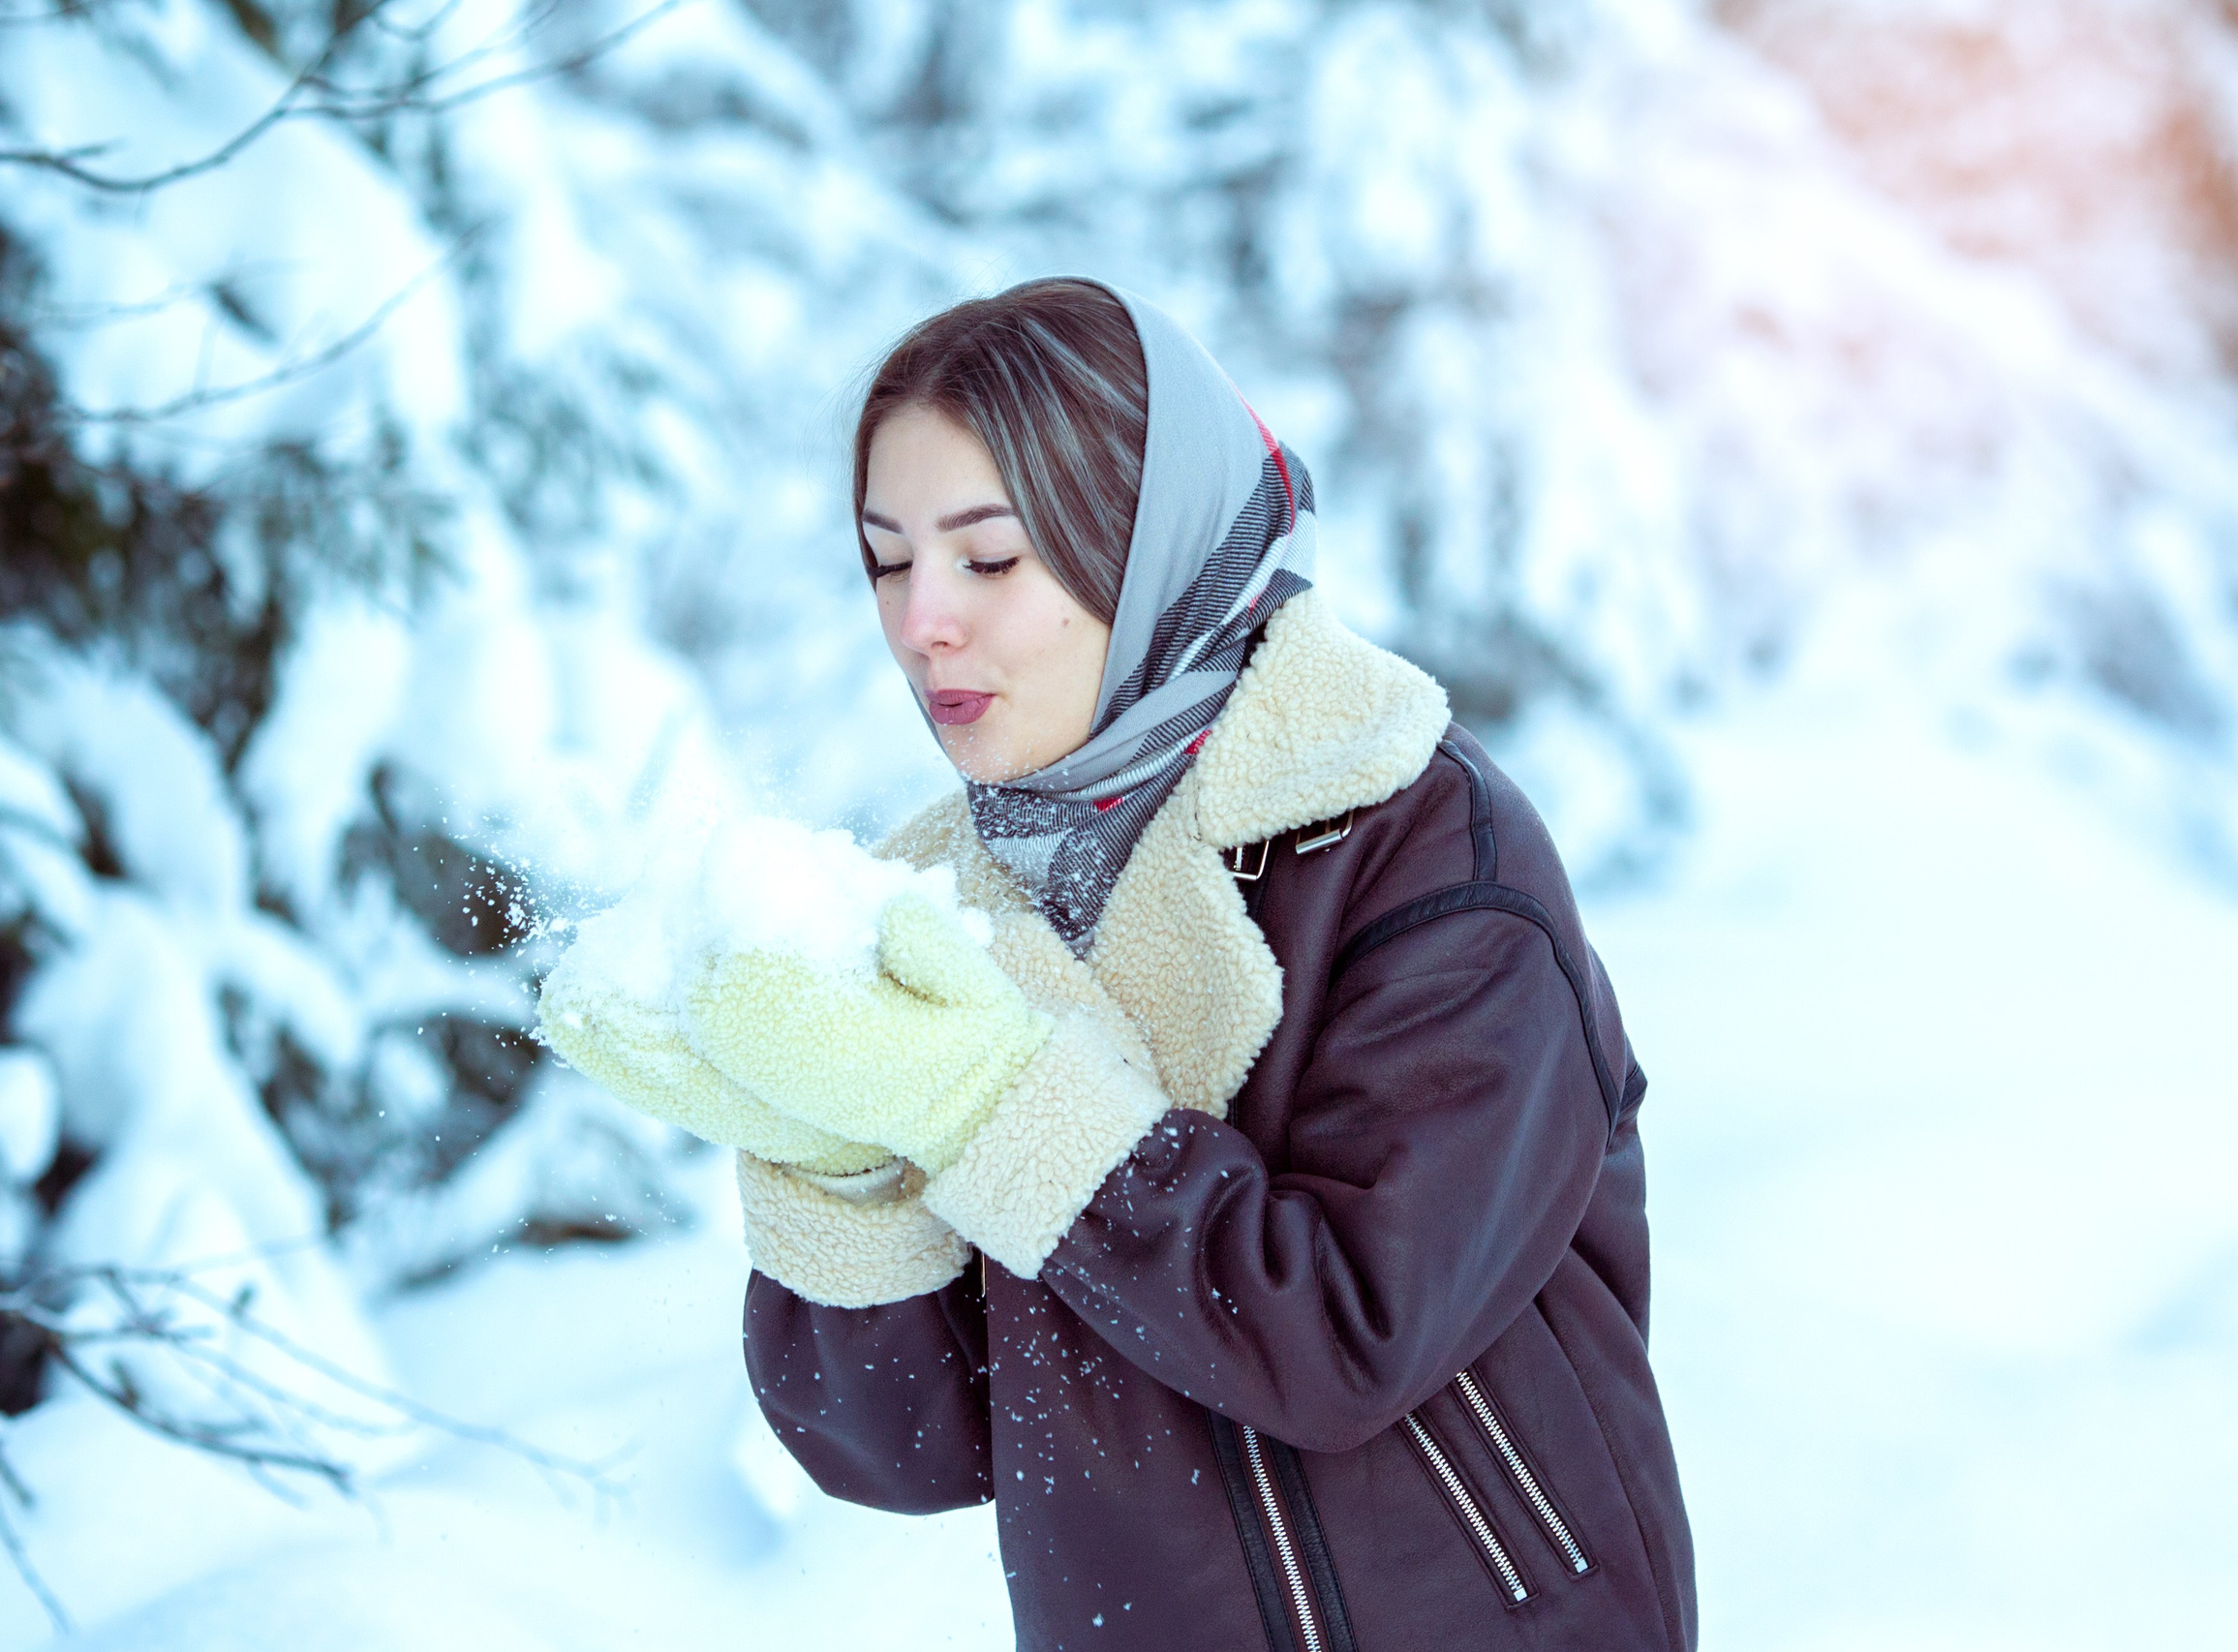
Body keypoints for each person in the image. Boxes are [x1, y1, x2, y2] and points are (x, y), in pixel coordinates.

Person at [543, 278, 1697, 1650]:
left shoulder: (1422, 841)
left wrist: (995, 1101)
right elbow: (907, 1450)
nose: (921, 623)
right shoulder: (940, 907)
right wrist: (837, 1157)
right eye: (885, 559)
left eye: (987, 557)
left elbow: (1350, 1331)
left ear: (1138, 544)